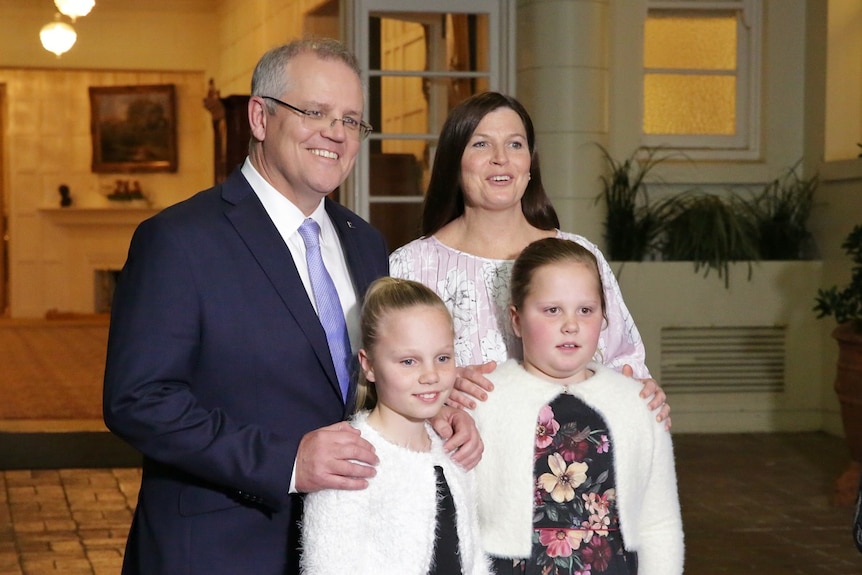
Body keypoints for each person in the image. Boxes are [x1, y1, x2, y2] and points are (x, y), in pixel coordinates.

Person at [102, 38, 481, 575]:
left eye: (351, 120)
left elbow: (375, 372)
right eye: (316, 112)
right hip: (222, 546)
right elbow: (138, 400)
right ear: (260, 116)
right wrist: (286, 462)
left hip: (352, 545)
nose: (336, 133)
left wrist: (434, 412)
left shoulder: (366, 243)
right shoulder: (180, 239)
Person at [389, 91, 671, 423]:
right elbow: (385, 377)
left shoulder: (579, 256)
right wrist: (442, 384)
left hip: (570, 462)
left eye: (515, 144)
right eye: (481, 144)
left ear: (530, 164)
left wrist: (644, 393)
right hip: (458, 460)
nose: (500, 158)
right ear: (454, 162)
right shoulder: (411, 266)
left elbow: (625, 363)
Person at [471, 237, 684, 574]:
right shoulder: (483, 401)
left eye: (585, 310)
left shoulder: (638, 402)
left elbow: (659, 523)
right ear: (516, 319)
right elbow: (462, 522)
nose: (571, 324)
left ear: (604, 316)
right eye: (552, 310)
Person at [301, 277, 491, 574]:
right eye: (408, 362)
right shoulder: (349, 459)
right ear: (369, 365)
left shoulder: (451, 448)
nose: (431, 375)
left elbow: (473, 556)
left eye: (442, 357)